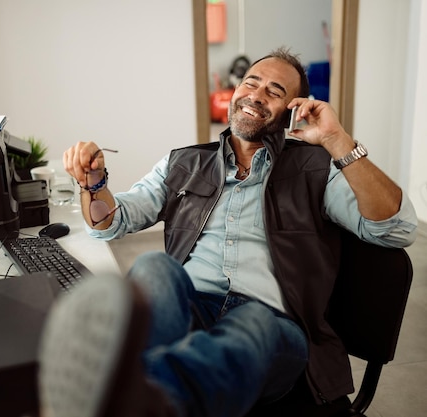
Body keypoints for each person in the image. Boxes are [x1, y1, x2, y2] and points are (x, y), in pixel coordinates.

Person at [37, 48, 418, 417]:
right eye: (251, 83)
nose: (256, 95)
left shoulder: (317, 168)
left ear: (294, 109)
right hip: (192, 309)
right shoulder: (184, 163)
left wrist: (338, 141)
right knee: (155, 267)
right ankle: (140, 396)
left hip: (273, 326)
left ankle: (123, 392)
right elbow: (111, 222)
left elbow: (395, 229)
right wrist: (93, 184)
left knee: (251, 326)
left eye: (275, 91)